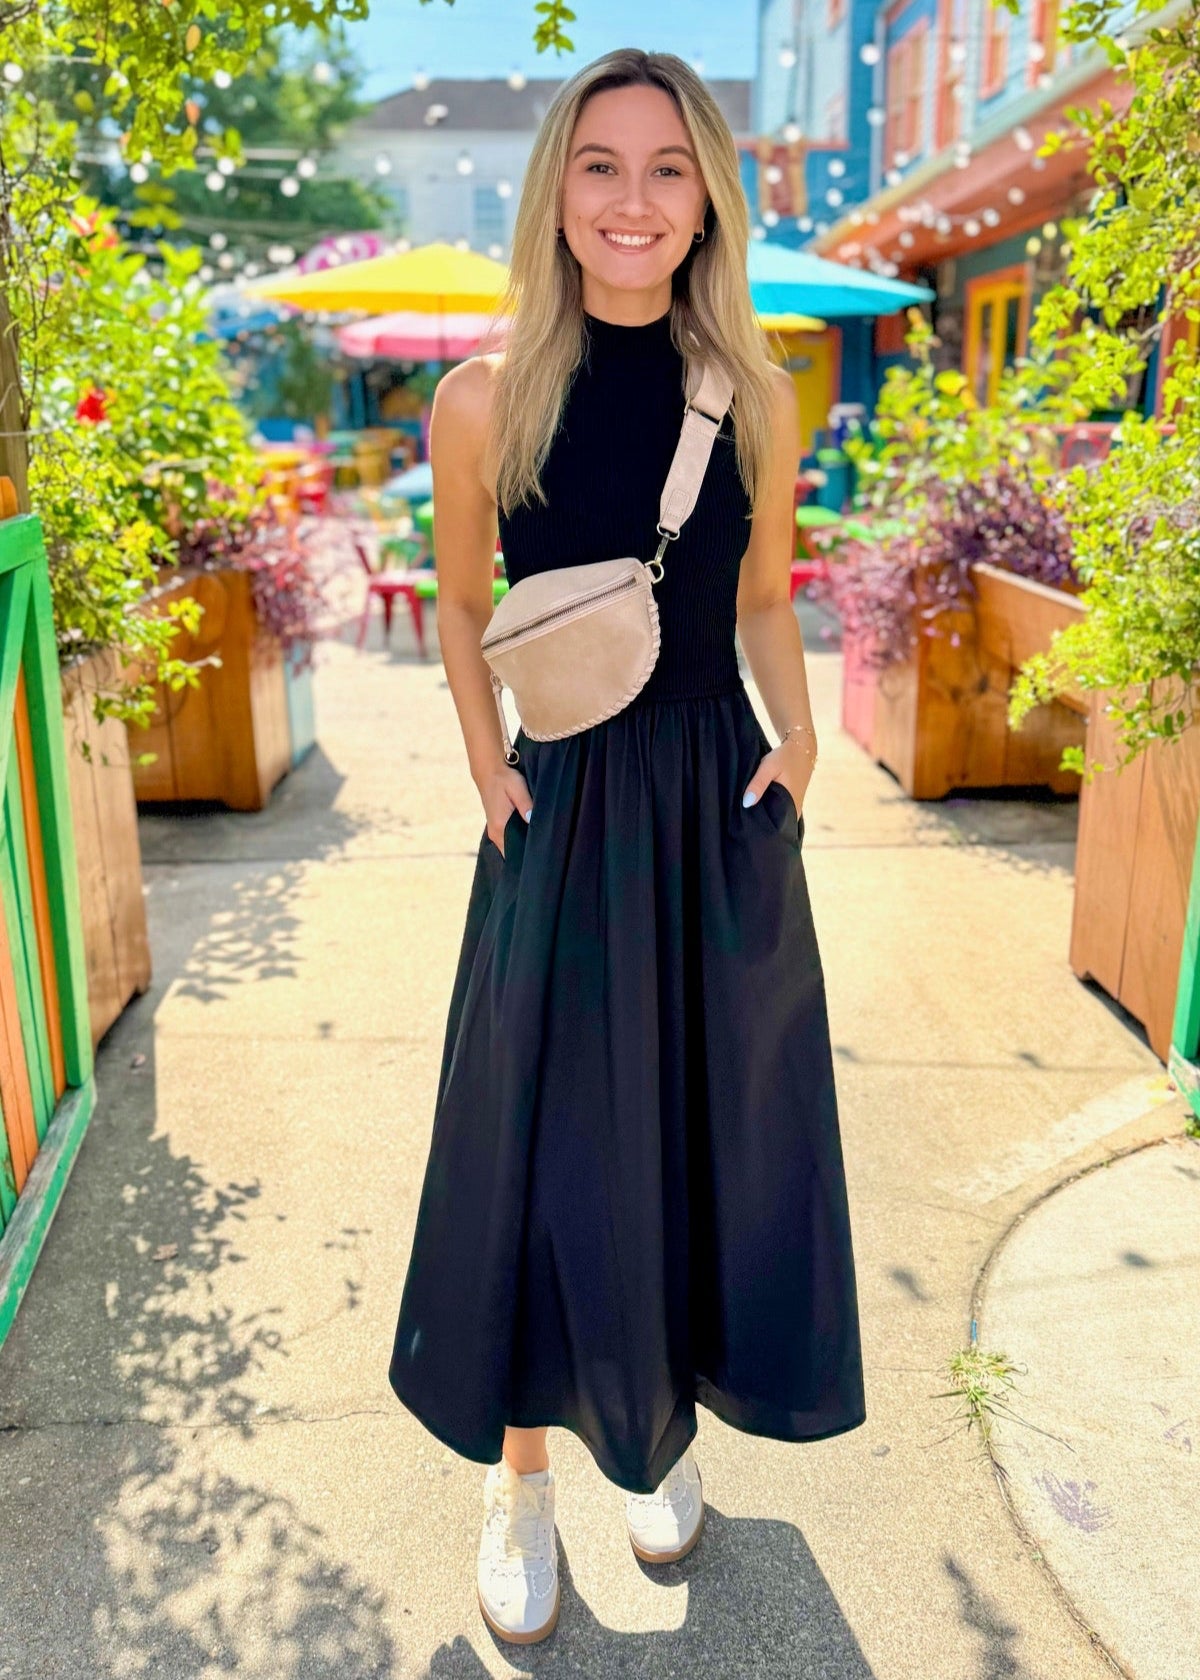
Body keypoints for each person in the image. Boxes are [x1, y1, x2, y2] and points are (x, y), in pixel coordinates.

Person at [387, 47, 866, 1646]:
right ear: (557, 191)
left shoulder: (757, 392)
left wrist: (802, 739)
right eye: (601, 164)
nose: (634, 199)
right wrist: (485, 762)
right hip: (564, 800)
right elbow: (464, 601)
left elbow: (764, 597)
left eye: (669, 168)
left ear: (709, 197)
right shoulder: (483, 396)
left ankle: (656, 1432)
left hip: (715, 803)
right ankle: (520, 1476)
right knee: (537, 1142)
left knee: (701, 1131)